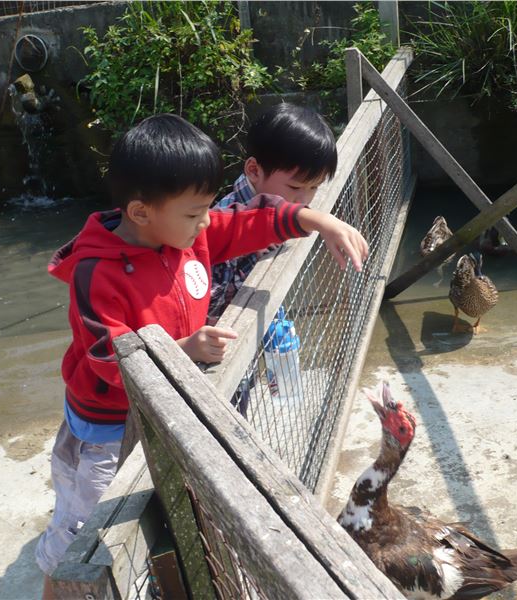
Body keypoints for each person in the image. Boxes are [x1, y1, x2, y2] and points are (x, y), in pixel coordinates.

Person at [35, 113, 367, 597]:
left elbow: (246, 223)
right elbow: (109, 358)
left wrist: (317, 219)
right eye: (196, 213)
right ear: (141, 212)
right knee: (81, 536)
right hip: (107, 430)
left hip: (161, 409)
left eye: (208, 208)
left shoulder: (187, 235)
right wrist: (182, 350)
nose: (209, 221)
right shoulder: (96, 273)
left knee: (155, 513)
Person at [207, 103, 338, 415]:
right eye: (295, 187)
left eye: (314, 188)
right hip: (218, 358)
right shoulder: (224, 223)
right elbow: (210, 305)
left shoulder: (276, 209)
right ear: (254, 170)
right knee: (229, 414)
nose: (304, 200)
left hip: (246, 344)